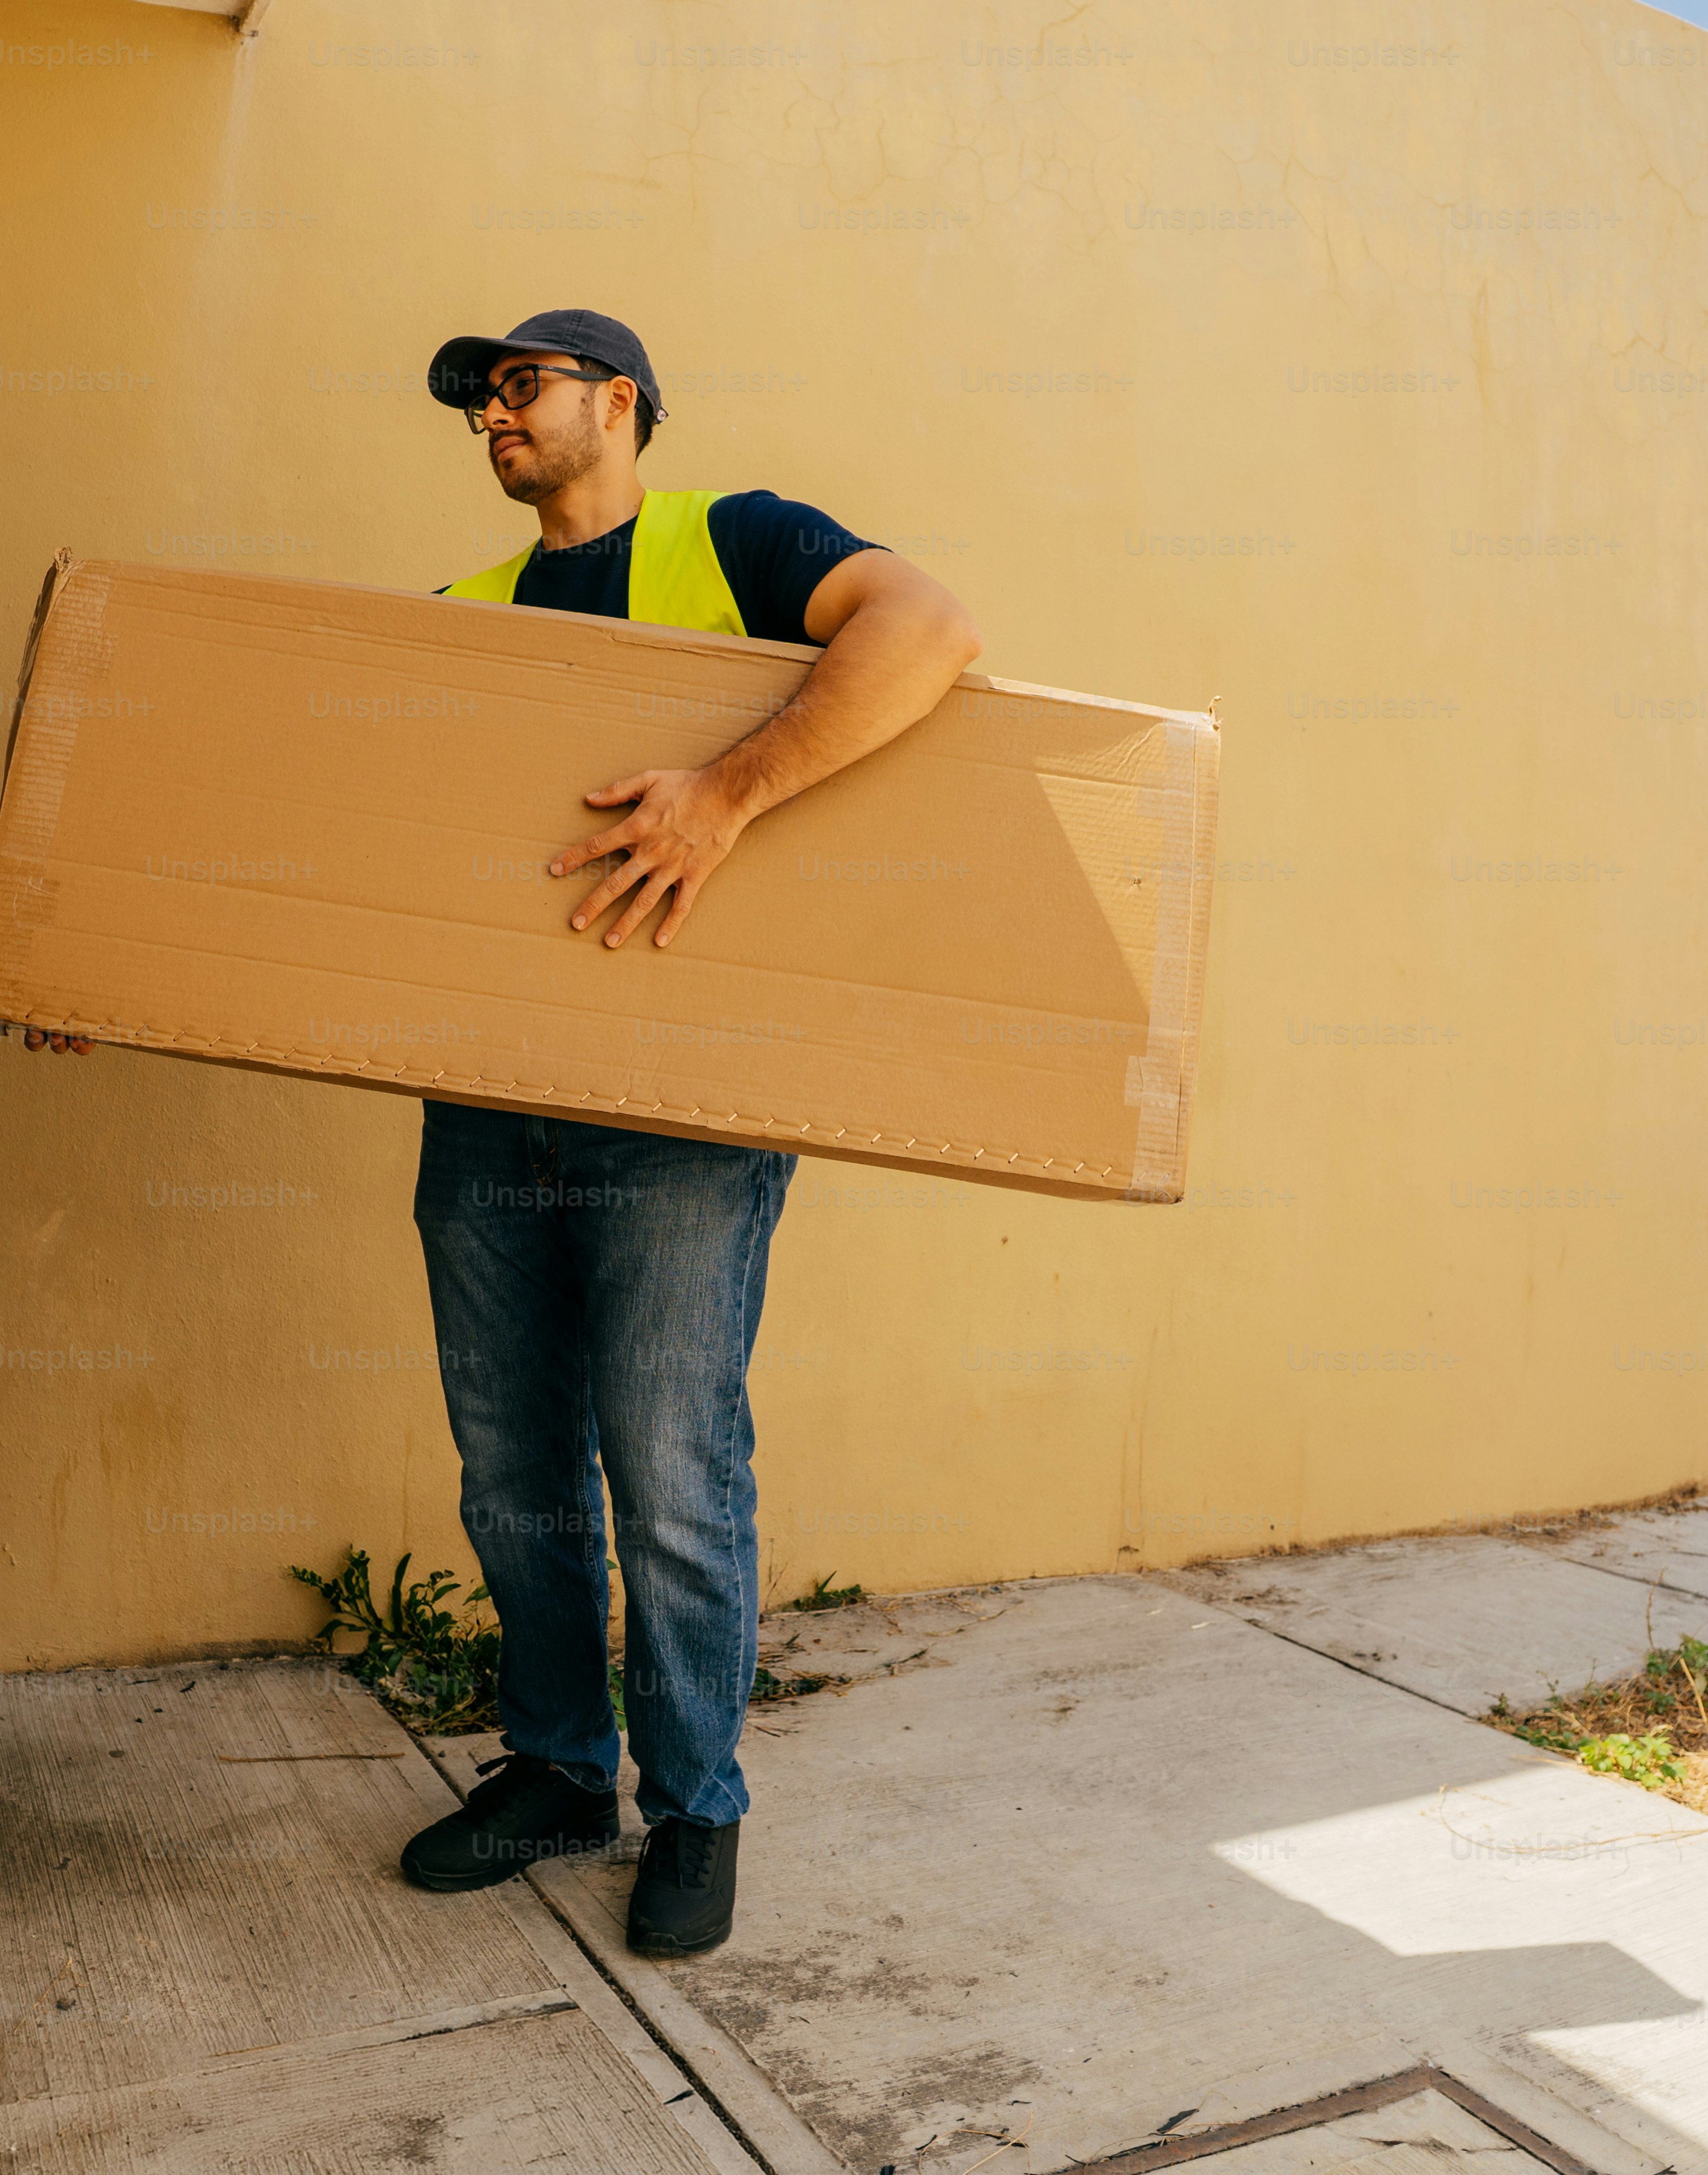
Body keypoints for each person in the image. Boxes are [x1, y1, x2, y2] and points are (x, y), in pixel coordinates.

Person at [394, 309, 980, 1957]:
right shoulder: (461, 616)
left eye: (520, 386)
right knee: (512, 1465)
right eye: (478, 402)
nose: (493, 416)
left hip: (679, 1111)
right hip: (488, 1101)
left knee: (665, 1462)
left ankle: (696, 1801)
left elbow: (927, 630)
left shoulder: (733, 544)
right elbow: (361, 851)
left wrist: (729, 790)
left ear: (618, 401)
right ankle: (560, 1769)